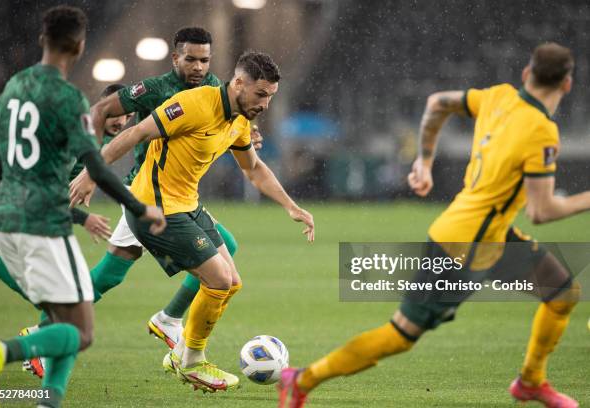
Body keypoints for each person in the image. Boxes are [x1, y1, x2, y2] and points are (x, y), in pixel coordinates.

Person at [278, 42, 581, 408]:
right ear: (567, 84)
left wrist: (424, 160)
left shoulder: (498, 96)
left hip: (489, 235)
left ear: (526, 74)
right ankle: (302, 379)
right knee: (400, 335)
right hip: (464, 245)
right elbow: (542, 211)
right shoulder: (542, 131)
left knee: (562, 293)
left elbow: (438, 102)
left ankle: (531, 382)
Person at [69, 50, 315, 393]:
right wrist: (92, 174)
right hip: (153, 207)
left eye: (270, 97)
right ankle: (192, 362)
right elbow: (137, 133)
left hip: (185, 205)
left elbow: (254, 168)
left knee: (232, 283)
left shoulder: (240, 120)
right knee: (217, 279)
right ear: (239, 83)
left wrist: (291, 206)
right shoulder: (193, 104)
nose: (265, 104)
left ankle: (181, 351)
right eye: (260, 95)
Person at [0, 6, 165, 408]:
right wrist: (138, 206)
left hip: (6, 217)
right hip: (43, 225)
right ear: (79, 46)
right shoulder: (67, 98)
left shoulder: (14, 87)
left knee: (62, 319)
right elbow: (96, 162)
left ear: (42, 40)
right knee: (80, 332)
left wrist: (12, 179)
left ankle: (47, 401)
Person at [82, 27, 259, 348]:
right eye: (190, 59)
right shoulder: (155, 88)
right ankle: (42, 335)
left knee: (112, 273)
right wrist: (90, 171)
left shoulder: (213, 88)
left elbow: (234, 120)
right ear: (175, 57)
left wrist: (248, 135)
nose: (198, 67)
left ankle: (169, 319)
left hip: (176, 196)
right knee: (110, 274)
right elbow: (102, 110)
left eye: (204, 60)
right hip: (145, 190)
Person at [0, 83, 132, 304]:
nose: (122, 121)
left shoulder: (101, 138)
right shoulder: (78, 132)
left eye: (128, 116)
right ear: (102, 105)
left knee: (63, 300)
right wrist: (84, 218)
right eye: (118, 113)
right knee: (68, 301)